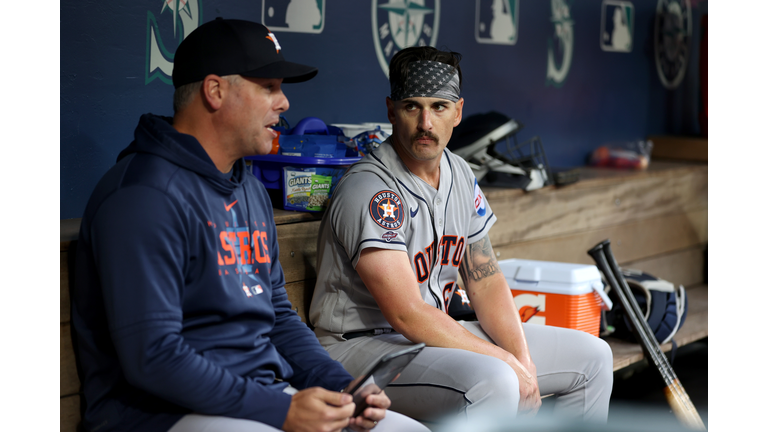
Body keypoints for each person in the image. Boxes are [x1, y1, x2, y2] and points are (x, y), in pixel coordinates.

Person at [70, 18, 428, 432]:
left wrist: (342, 386)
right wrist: (281, 411)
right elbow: (154, 357)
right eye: (269, 87)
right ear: (215, 91)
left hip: (256, 396)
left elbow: (277, 315)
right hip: (156, 415)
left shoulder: (249, 188)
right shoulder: (143, 196)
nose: (284, 103)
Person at [308, 46, 614, 425]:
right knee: (495, 380)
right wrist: (506, 363)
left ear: (458, 111)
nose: (425, 123)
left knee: (594, 356)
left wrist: (523, 359)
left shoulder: (460, 173)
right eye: (411, 107)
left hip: (430, 336)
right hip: (360, 348)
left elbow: (485, 281)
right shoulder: (371, 191)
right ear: (390, 110)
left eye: (438, 107)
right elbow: (406, 314)